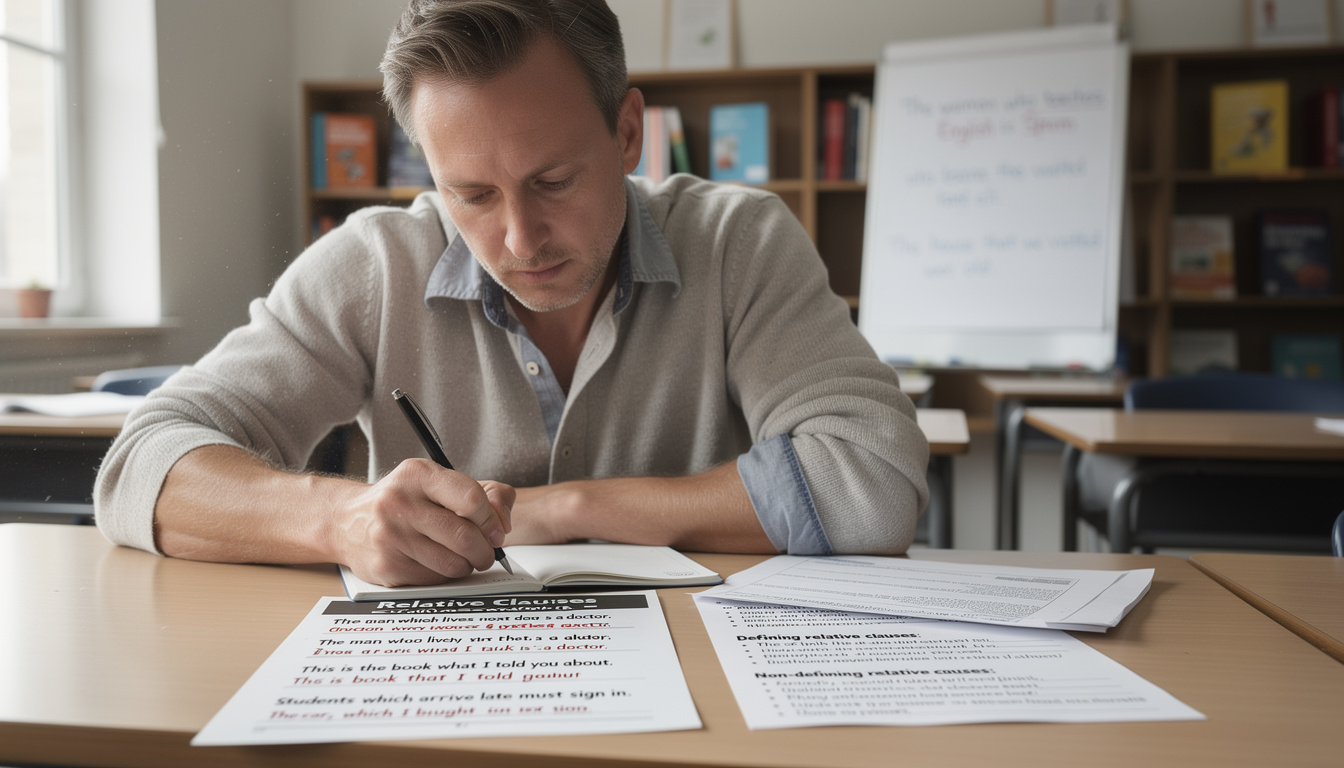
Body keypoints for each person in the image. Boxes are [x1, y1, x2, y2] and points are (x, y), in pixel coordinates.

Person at [94, 0, 928, 587]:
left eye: (555, 180)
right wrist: (340, 522)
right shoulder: (375, 264)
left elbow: (874, 478)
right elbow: (142, 464)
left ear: (628, 132)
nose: (521, 241)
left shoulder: (738, 241)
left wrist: (557, 511)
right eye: (473, 196)